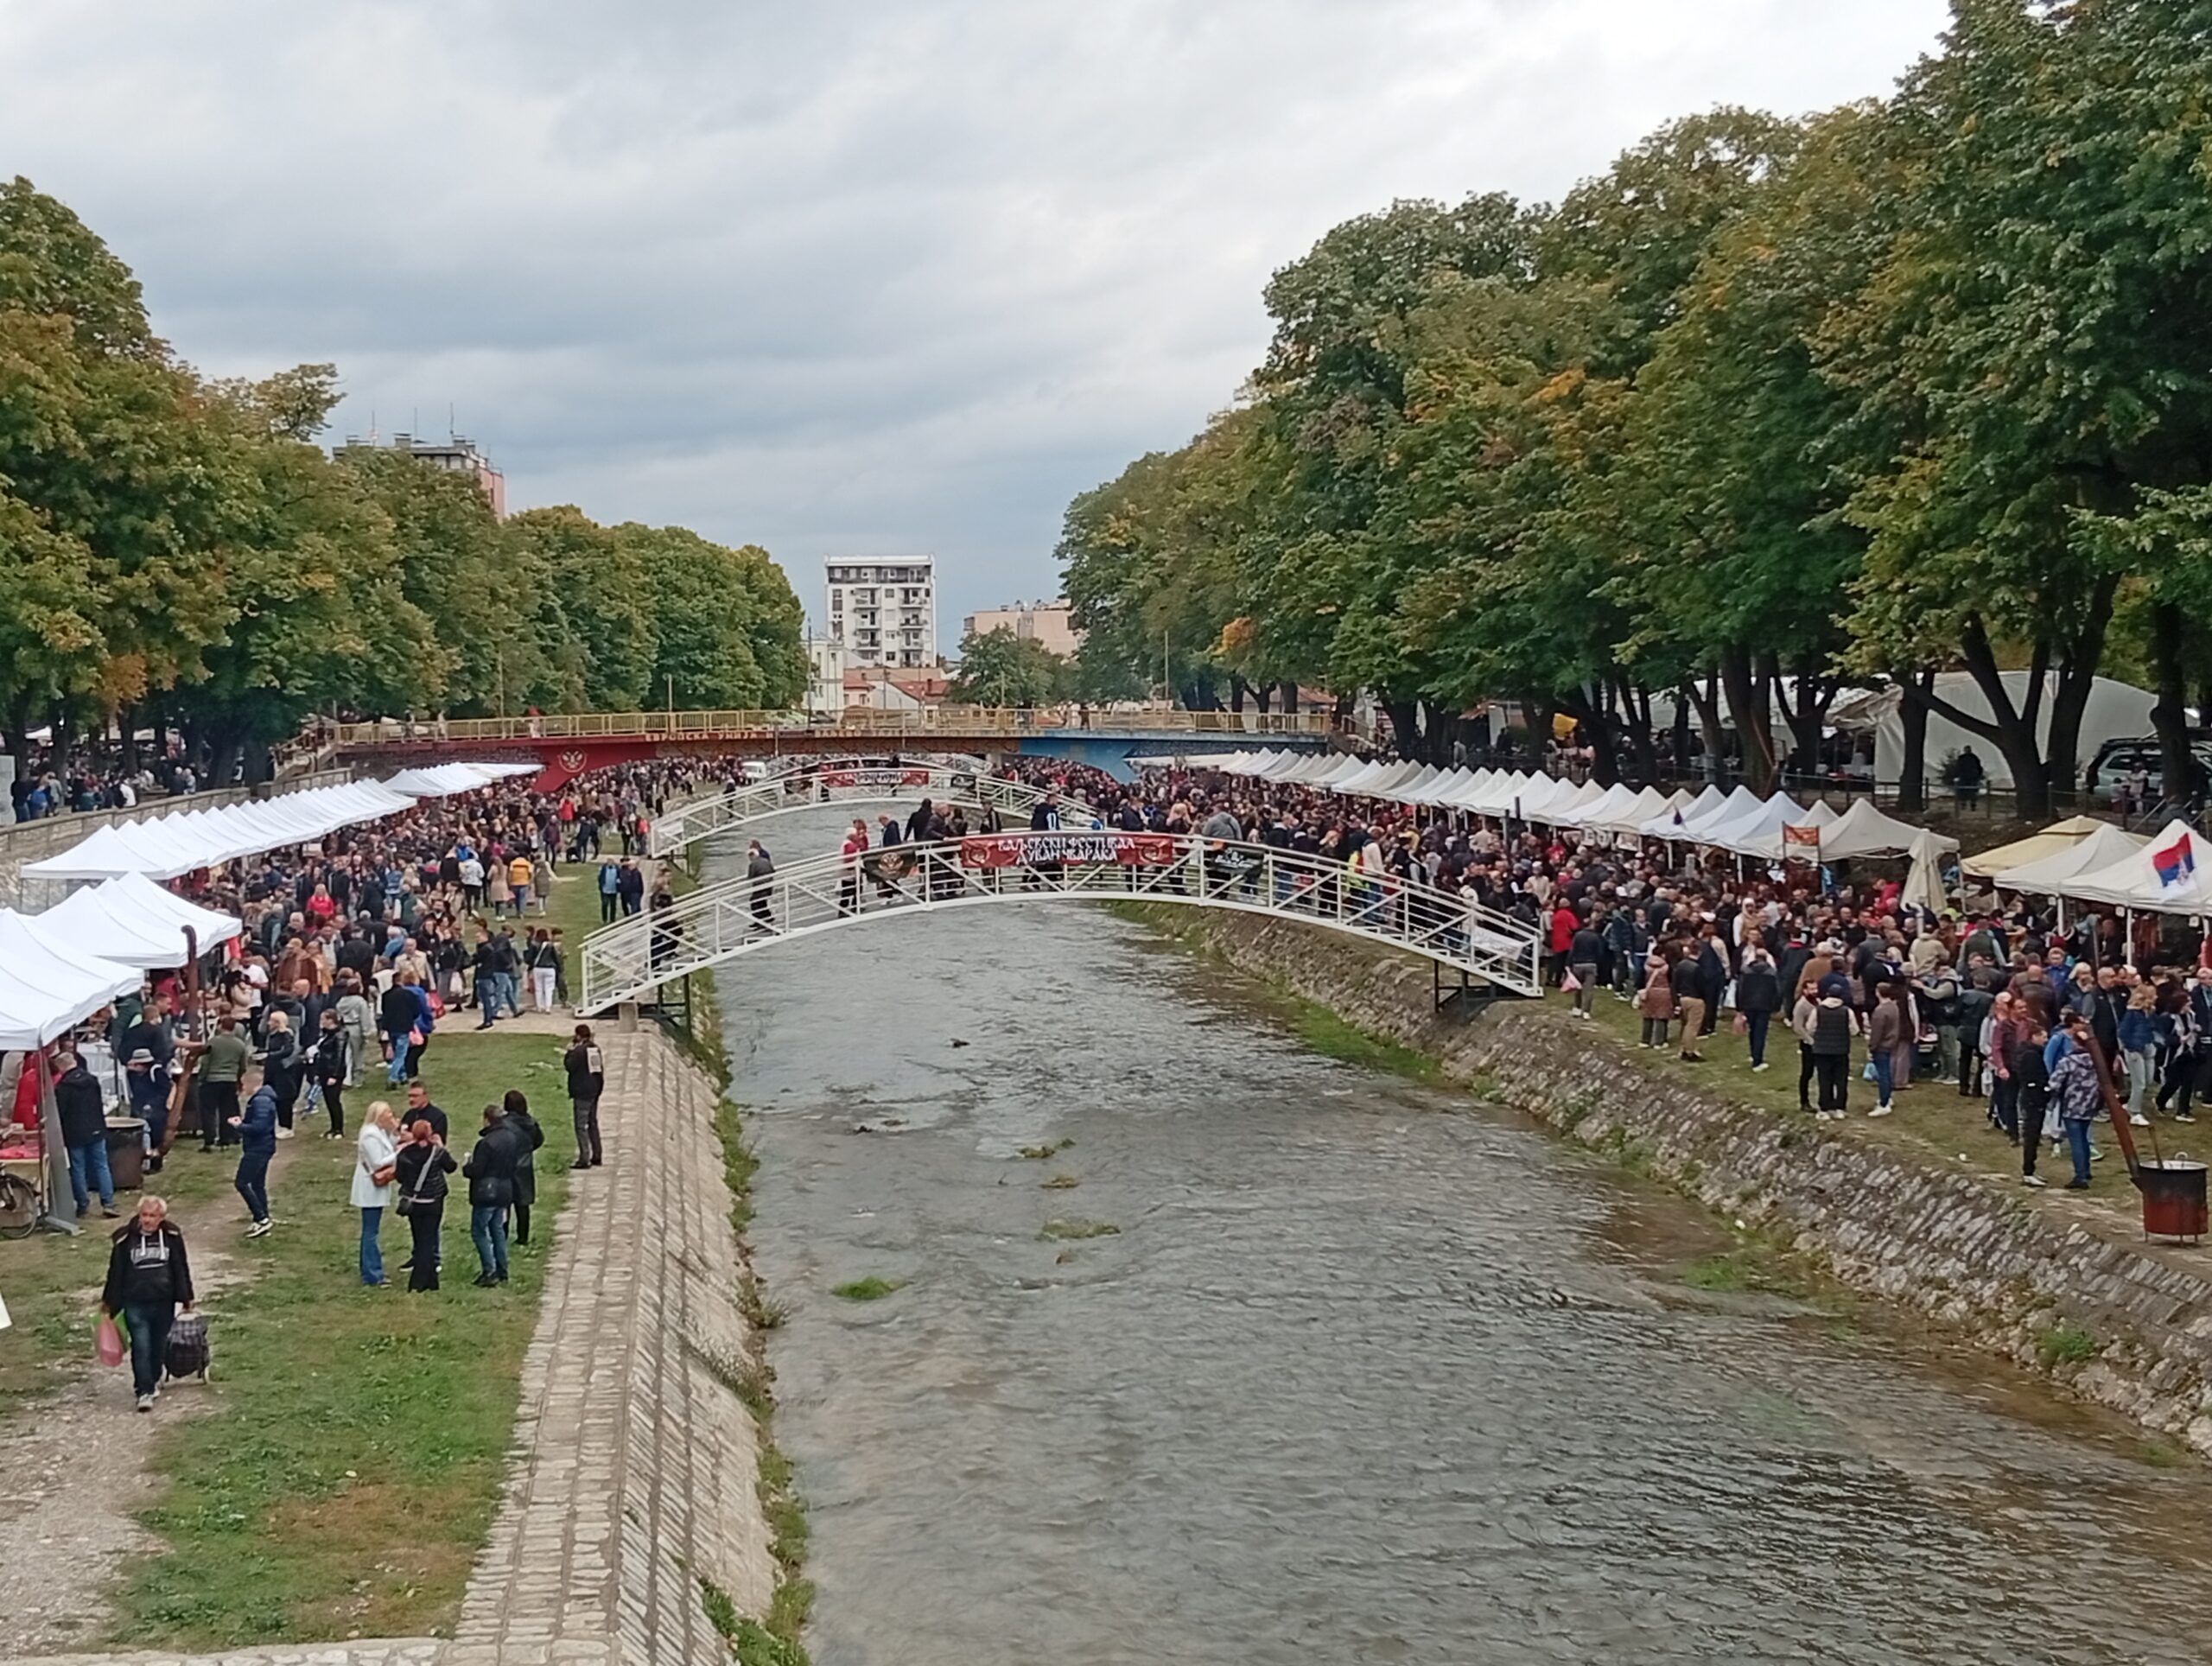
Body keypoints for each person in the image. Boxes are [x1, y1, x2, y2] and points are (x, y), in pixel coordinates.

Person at [101, 1195, 194, 1412]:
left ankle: (152, 1379)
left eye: (153, 1216)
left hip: (164, 1300)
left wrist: (187, 1296)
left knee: (158, 1345)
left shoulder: (172, 1236)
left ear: (161, 1217)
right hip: (135, 1301)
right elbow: (116, 1272)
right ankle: (143, 1390)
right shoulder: (124, 1240)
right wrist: (109, 1302)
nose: (147, 1220)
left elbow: (180, 1267)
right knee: (141, 1346)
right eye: (144, 1215)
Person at [393, 1116, 456, 1292]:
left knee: (419, 1237)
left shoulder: (404, 1154)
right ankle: (420, 1281)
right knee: (428, 1239)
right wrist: (441, 1145)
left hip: (414, 1202)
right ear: (429, 1134)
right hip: (433, 1201)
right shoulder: (437, 1153)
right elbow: (451, 1167)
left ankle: (429, 1280)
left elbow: (399, 1176)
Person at [463, 1102, 520, 1286]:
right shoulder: (511, 1137)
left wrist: (467, 1167)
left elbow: (478, 1170)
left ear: (487, 1120)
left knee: (479, 1231)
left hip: (487, 1191)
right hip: (505, 1188)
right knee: (497, 1230)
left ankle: (489, 1271)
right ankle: (503, 1269)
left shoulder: (486, 1143)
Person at [54, 1050, 116, 1219]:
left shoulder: (63, 1087)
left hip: (75, 1133)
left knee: (78, 1168)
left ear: (61, 1068)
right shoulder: (92, 1080)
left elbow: (61, 1112)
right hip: (96, 1128)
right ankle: (108, 1202)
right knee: (102, 1165)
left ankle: (83, 1204)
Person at [2048, 1019, 2104, 1190]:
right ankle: (2086, 1171)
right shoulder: (2096, 1061)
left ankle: (2080, 1176)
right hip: (2090, 1104)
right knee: (2085, 1139)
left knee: (2076, 1142)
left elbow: (2055, 1083)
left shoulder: (2068, 1062)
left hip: (2072, 1105)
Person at [353, 1102, 400, 1285]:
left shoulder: (379, 1132)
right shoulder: (370, 1135)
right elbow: (378, 1162)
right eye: (388, 1113)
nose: (391, 1115)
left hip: (374, 1187)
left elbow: (388, 1146)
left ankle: (371, 1270)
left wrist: (395, 1133)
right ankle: (372, 1274)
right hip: (369, 1187)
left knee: (371, 1230)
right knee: (370, 1232)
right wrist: (399, 1152)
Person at [190, 1013, 251, 1150]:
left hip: (212, 1080)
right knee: (228, 1111)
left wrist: (202, 1078)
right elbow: (243, 1066)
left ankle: (209, 1141)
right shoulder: (240, 1045)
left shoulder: (213, 1042)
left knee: (208, 1112)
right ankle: (226, 1139)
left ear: (221, 1026)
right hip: (229, 1081)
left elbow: (205, 1062)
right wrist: (237, 1077)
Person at [232, 1073, 277, 1237]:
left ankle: (261, 1217)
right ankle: (262, 1218)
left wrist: (239, 1126)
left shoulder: (260, 1101)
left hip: (258, 1148)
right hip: (263, 1147)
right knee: (258, 1185)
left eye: (243, 1084)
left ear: (251, 1083)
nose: (242, 1088)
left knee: (242, 1183)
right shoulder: (264, 1099)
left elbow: (259, 1127)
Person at [502, 1088, 546, 1247]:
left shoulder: (504, 1124)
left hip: (507, 1165)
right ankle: (523, 1237)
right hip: (524, 1165)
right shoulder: (531, 1122)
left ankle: (503, 1234)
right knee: (523, 1204)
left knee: (504, 1204)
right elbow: (539, 1140)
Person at [1736, 944, 1783, 1073]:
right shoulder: (1772, 973)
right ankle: (1758, 1060)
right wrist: (1776, 1006)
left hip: (1749, 1005)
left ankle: (1753, 1054)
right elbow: (1778, 991)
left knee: (1752, 1031)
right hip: (1765, 1006)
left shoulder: (1746, 971)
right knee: (1760, 1033)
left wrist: (1739, 1006)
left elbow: (1740, 989)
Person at [565, 1024, 605, 1169]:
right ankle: (597, 1154)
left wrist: (569, 1052)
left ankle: (584, 1158)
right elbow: (598, 1070)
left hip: (582, 1092)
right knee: (592, 1123)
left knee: (581, 1125)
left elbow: (569, 1066)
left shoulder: (578, 1052)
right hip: (594, 1090)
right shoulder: (594, 1049)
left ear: (578, 1036)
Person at [308, 1009, 349, 1138]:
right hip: (324, 1070)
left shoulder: (340, 1035)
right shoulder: (326, 1034)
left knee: (334, 1101)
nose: (321, 1022)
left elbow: (339, 1056)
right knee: (328, 1101)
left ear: (331, 1020)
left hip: (333, 1072)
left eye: (323, 1019)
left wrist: (335, 1075)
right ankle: (333, 1127)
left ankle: (339, 1129)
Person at [1866, 982, 1904, 1116]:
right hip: (1891, 1043)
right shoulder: (1894, 1007)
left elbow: (1877, 1033)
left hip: (1881, 1046)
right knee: (1887, 1073)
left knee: (1883, 1075)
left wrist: (1871, 1048)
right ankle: (1887, 1098)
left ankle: (1883, 1103)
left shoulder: (1880, 1011)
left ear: (1878, 993)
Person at [526, 930, 563, 1014]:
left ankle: (539, 1007)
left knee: (538, 988)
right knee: (549, 989)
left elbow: (529, 958)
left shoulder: (534, 945)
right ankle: (548, 1007)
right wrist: (559, 968)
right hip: (550, 968)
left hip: (538, 968)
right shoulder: (550, 945)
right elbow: (555, 958)